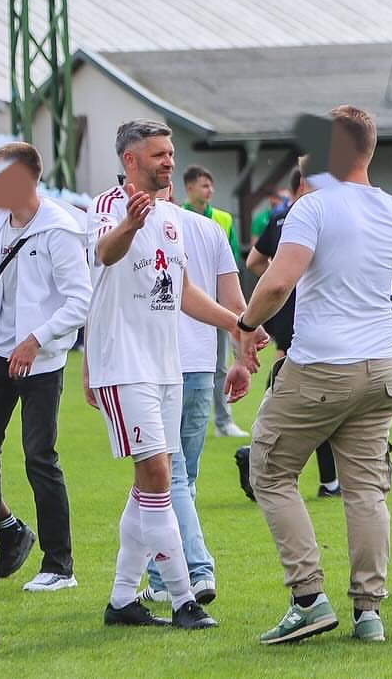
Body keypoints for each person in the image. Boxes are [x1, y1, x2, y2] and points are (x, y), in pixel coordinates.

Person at [241, 106, 392, 645]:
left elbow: (277, 282)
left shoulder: (313, 206)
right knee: (366, 490)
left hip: (322, 365)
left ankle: (308, 599)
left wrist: (246, 324)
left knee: (269, 472)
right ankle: (368, 612)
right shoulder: (391, 207)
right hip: (381, 368)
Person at [85, 119, 262, 633]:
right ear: (130, 160)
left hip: (166, 366)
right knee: (161, 476)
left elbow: (182, 291)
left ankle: (123, 599)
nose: (169, 161)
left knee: (149, 483)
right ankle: (185, 597)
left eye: (170, 152)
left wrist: (237, 324)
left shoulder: (171, 217)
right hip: (124, 365)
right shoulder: (107, 207)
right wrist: (129, 224)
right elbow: (105, 253)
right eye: (159, 154)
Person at [0, 143, 88, 593]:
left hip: (41, 359)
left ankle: (59, 566)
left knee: (39, 457)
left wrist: (35, 340)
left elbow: (79, 301)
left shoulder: (60, 228)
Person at [141, 185, 246, 606]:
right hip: (201, 364)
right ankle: (162, 576)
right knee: (181, 478)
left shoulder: (141, 228)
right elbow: (236, 303)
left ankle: (196, 570)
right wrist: (241, 356)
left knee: (168, 478)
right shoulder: (210, 228)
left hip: (156, 365)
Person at [241, 163, 339, 501]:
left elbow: (254, 261)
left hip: (285, 311)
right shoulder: (324, 216)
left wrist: (280, 275)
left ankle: (260, 454)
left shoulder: (281, 217)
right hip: (318, 315)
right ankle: (325, 480)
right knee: (319, 400)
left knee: (285, 387)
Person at [180, 165, 247, 440]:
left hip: (216, 304)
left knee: (219, 365)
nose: (210, 191)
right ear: (190, 188)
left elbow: (230, 262)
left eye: (211, 185)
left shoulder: (223, 219)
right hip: (183, 305)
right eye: (204, 185)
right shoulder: (175, 216)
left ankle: (223, 420)